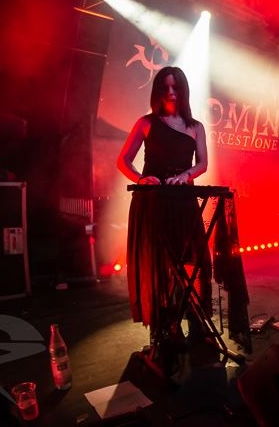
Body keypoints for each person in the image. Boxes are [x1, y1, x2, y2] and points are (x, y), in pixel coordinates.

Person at [117, 66, 209, 370]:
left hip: (182, 201)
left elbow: (202, 164)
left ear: (183, 91)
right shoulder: (146, 123)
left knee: (191, 261)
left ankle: (195, 321)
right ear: (158, 91)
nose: (170, 92)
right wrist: (141, 179)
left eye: (175, 87)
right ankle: (166, 330)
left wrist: (186, 175)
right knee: (159, 267)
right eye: (165, 87)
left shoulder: (195, 126)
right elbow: (123, 160)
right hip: (153, 202)